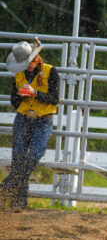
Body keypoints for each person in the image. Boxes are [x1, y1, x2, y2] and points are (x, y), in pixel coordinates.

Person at [0, 38, 59, 209]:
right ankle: (18, 202)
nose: (29, 66)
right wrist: (21, 95)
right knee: (19, 159)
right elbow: (14, 101)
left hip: (44, 119)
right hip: (23, 118)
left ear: (37, 58)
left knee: (34, 155)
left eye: (31, 62)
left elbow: (54, 99)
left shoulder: (51, 72)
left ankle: (5, 189)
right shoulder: (19, 75)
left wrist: (35, 94)